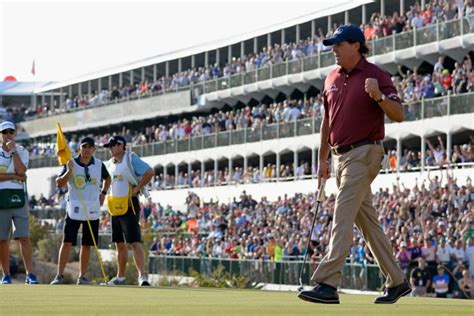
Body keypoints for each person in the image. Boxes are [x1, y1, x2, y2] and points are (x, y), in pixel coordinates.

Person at [297, 24, 409, 305]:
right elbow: (327, 122)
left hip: (364, 153)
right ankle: (397, 281)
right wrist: (322, 159)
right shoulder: (331, 77)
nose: (333, 50)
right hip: (338, 157)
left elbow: (399, 115)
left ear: (356, 46)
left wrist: (379, 97)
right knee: (367, 222)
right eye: (333, 45)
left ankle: (327, 282)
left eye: (338, 44)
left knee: (343, 214)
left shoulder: (376, 76)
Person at [51, 137, 111, 285]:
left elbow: (108, 178)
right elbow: (59, 183)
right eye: (85, 146)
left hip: (92, 208)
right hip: (75, 207)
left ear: (94, 150)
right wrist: (69, 170)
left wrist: (103, 193)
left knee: (87, 244)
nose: (87, 149)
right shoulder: (70, 162)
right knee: (67, 242)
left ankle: (82, 276)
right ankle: (59, 275)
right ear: (80, 148)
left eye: (90, 147)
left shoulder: (99, 164)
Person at [103, 136, 154, 286]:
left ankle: (142, 276)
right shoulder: (109, 164)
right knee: (119, 243)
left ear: (121, 146)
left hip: (129, 203)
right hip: (114, 205)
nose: (110, 149)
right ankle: (120, 277)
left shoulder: (130, 158)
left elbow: (149, 172)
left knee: (134, 242)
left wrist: (137, 188)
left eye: (112, 146)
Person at [0, 121, 38, 284]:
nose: (8, 135)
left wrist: (13, 151)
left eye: (11, 132)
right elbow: (19, 175)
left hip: (19, 198)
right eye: (4, 132)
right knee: (2, 240)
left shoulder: (22, 151)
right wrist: (15, 177)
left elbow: (22, 170)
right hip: (1, 199)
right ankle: (6, 275)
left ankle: (30, 274)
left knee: (24, 237)